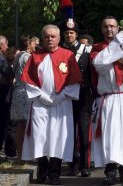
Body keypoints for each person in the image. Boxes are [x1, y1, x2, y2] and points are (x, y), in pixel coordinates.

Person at [20, 25, 81, 185]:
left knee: (58, 138)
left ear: (59, 38)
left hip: (62, 104)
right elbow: (28, 79)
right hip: (41, 103)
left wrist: (60, 96)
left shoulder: (68, 55)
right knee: (40, 137)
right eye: (47, 36)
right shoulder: (35, 56)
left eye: (53, 36)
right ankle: (42, 169)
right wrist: (41, 96)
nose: (50, 39)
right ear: (42, 38)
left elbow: (75, 80)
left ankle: (55, 174)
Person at [90, 16, 123, 185]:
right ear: (102, 29)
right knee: (110, 135)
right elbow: (100, 65)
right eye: (106, 26)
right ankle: (111, 171)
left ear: (118, 28)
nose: (109, 29)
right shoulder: (97, 48)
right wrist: (115, 47)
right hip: (111, 97)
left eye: (112, 26)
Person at [60, 20, 94, 177]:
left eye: (71, 33)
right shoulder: (60, 51)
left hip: (84, 94)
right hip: (66, 96)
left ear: (76, 34)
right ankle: (72, 164)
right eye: (66, 33)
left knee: (84, 129)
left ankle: (85, 165)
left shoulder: (86, 50)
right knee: (68, 131)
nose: (69, 35)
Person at [9, 35, 37, 162]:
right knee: (28, 124)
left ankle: (20, 155)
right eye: (34, 43)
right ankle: (28, 155)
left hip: (17, 92)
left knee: (20, 125)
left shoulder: (18, 56)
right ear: (28, 44)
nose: (36, 45)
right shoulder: (28, 57)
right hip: (27, 91)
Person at [0, 35, 14, 160]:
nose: (7, 47)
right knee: (2, 122)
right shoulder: (1, 58)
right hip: (2, 92)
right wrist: (12, 65)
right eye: (5, 44)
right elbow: (6, 71)